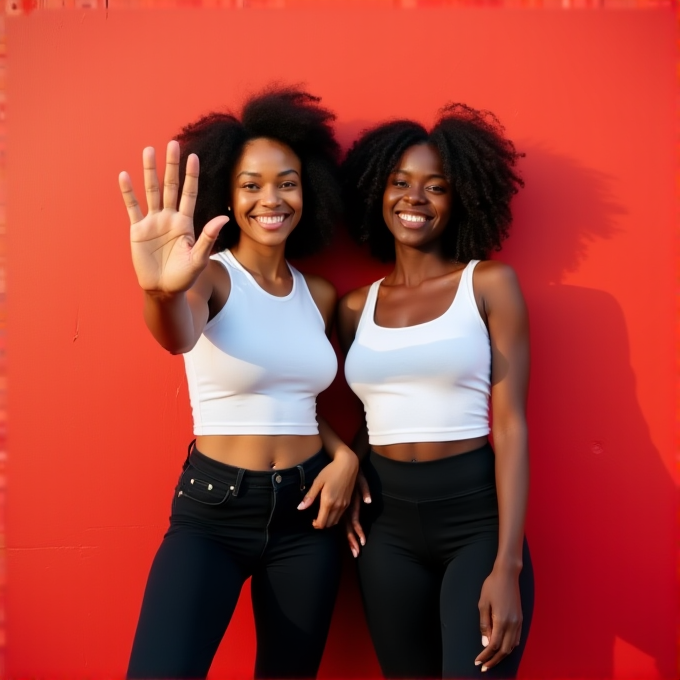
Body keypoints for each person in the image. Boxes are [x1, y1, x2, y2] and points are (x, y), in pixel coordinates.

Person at [118, 86, 358, 679]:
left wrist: (344, 454)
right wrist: (161, 290)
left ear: (311, 190)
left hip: (307, 515)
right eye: (251, 185)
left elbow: (292, 400)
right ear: (228, 191)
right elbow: (177, 335)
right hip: (214, 512)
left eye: (288, 182)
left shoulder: (318, 293)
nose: (270, 199)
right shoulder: (209, 278)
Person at [338, 104, 535, 679]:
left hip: (474, 522)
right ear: (378, 190)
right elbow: (374, 413)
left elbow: (513, 425)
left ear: (461, 198)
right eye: (399, 183)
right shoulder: (355, 307)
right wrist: (348, 462)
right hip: (385, 529)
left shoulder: (490, 284)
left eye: (436, 186)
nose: (414, 198)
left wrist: (507, 565)